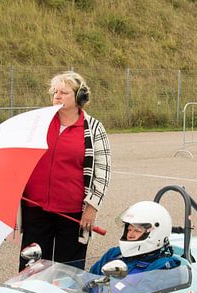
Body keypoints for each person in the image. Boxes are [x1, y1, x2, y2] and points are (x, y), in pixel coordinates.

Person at [19, 71, 111, 271]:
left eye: (64, 92)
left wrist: (92, 207)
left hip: (72, 213)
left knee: (68, 273)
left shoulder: (94, 128)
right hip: (36, 209)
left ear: (79, 97)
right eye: (55, 92)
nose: (57, 96)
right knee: (30, 270)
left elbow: (103, 172)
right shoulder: (38, 122)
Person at [90, 201, 180, 276]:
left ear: (155, 234)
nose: (130, 234)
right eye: (129, 230)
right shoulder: (114, 253)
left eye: (137, 231)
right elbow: (89, 279)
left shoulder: (161, 266)